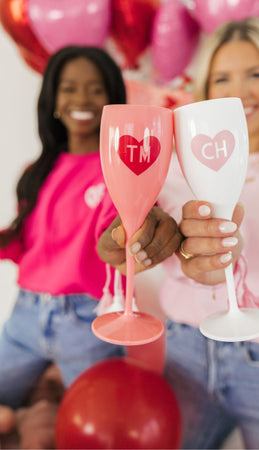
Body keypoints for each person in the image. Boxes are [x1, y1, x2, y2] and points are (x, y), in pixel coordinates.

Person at [98, 17, 259, 449]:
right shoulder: (169, 166)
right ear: (204, 88)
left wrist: (230, 250)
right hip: (187, 353)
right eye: (221, 77)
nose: (239, 91)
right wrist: (150, 241)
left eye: (257, 74)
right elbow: (163, 227)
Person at [0, 43, 181, 418]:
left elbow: (113, 231)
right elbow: (28, 245)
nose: (82, 98)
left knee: (97, 421)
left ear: (112, 99)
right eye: (68, 87)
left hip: (85, 322)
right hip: (24, 317)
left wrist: (124, 236)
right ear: (52, 98)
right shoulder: (35, 171)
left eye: (96, 88)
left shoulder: (119, 174)